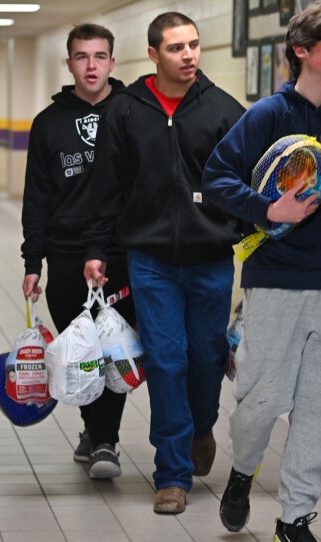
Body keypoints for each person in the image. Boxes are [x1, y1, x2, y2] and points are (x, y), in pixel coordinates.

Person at [201, 2, 321, 541]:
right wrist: (269, 210)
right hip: (277, 284)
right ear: (301, 50)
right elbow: (215, 179)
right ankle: (243, 470)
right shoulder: (268, 116)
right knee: (260, 402)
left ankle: (295, 517)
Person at [83, 12, 245, 514]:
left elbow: (246, 185)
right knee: (167, 360)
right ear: (153, 55)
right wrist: (95, 249)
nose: (189, 55)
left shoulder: (224, 110)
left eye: (194, 45)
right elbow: (105, 187)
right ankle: (171, 474)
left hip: (212, 258)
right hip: (150, 260)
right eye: (177, 48)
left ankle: (200, 428)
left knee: (206, 357)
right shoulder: (125, 111)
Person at [20, 23, 136, 479]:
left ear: (113, 61)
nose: (91, 65)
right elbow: (37, 197)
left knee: (114, 347)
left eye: (100, 56)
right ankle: (95, 429)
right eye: (82, 57)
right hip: (66, 255)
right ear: (69, 63)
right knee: (81, 352)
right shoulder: (48, 123)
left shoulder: (131, 113)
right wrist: (33, 261)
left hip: (120, 253)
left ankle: (104, 441)